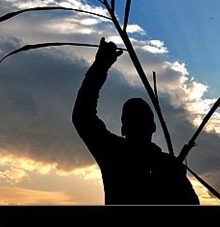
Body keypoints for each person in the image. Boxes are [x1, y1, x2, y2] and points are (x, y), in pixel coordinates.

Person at [73, 37, 199, 205]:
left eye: (140, 122)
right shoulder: (115, 153)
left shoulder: (115, 153)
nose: (137, 127)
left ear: (123, 129)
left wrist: (101, 66)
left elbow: (82, 116)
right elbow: (82, 116)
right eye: (134, 122)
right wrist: (100, 67)